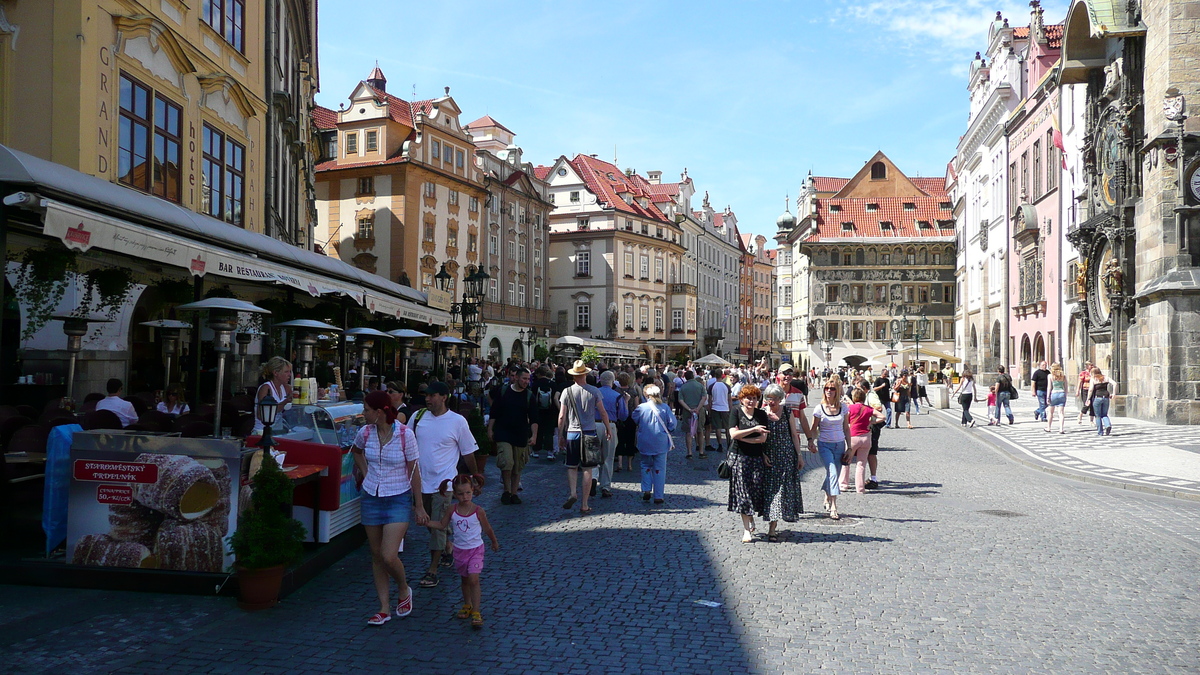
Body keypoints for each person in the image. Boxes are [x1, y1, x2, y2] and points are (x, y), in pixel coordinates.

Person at [350, 390, 426, 626]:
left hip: (398, 497)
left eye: (367, 410)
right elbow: (356, 451)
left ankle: (403, 588)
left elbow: (414, 470)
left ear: (380, 411)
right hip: (371, 495)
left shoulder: (405, 435)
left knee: (388, 555)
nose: (363, 414)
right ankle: (383, 607)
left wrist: (419, 505)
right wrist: (365, 473)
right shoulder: (365, 432)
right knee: (375, 555)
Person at [408, 381, 480, 590]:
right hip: (420, 483)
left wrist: (474, 477)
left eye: (432, 396)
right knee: (431, 524)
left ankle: (433, 570)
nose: (427, 399)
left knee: (438, 526)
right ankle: (449, 548)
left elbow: (468, 451)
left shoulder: (457, 422)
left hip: (444, 484)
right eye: (426, 396)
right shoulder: (418, 417)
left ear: (444, 397)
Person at [426, 474, 498, 629]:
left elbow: (487, 528)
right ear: (454, 493)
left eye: (468, 493)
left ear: (473, 490)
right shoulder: (452, 509)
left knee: (473, 579)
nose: (465, 496)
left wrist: (494, 541)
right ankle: (467, 604)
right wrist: (427, 523)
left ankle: (477, 611)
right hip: (460, 550)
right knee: (465, 580)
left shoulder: (478, 511)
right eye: (460, 493)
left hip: (476, 550)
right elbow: (442, 524)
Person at [558, 360, 612, 514]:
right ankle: (584, 503)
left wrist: (561, 434)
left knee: (572, 466)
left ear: (574, 375)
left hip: (572, 433)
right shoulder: (594, 391)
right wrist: (608, 428)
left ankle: (573, 492)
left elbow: (562, 416)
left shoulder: (566, 392)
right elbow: (602, 412)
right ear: (586, 374)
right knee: (588, 469)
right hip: (590, 432)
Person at [761, 384, 810, 541]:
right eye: (769, 398)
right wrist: (762, 454)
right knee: (771, 490)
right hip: (769, 456)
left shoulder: (787, 412)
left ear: (780, 399)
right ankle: (771, 523)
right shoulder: (762, 414)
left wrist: (799, 455)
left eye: (775, 398)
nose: (771, 402)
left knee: (782, 489)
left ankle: (772, 528)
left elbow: (794, 435)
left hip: (787, 455)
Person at [486, 366, 538, 506]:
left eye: (528, 379)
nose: (526, 381)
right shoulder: (504, 392)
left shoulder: (529, 396)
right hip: (503, 432)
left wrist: (534, 435)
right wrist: (490, 429)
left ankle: (514, 493)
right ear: (517, 378)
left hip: (521, 434)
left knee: (517, 466)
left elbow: (534, 418)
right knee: (507, 462)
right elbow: (494, 412)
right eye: (524, 378)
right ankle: (506, 491)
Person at [727, 384, 769, 543]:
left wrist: (742, 436)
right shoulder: (736, 411)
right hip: (740, 458)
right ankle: (746, 530)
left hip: (757, 458)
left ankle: (751, 516)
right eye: (748, 398)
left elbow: (763, 439)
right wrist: (754, 430)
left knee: (755, 491)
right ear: (741, 399)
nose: (751, 401)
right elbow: (732, 434)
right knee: (743, 494)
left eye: (754, 398)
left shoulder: (761, 414)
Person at [809, 380, 852, 520]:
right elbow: (814, 428)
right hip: (825, 445)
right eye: (826, 388)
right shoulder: (819, 408)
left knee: (833, 474)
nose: (829, 391)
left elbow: (846, 428)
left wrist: (850, 447)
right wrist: (811, 441)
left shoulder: (843, 407)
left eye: (832, 388)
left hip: (839, 445)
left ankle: (827, 496)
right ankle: (834, 506)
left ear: (837, 391)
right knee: (832, 472)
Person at [632, 384, 676, 504]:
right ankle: (658, 495)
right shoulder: (665, 407)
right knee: (660, 469)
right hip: (660, 442)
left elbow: (634, 419)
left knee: (645, 465)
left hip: (645, 440)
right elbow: (672, 424)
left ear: (646, 394)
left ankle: (646, 488)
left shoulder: (641, 408)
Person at [840, 388, 884, 494]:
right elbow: (882, 417)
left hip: (853, 436)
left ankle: (843, 484)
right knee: (861, 464)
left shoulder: (850, 408)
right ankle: (860, 488)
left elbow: (844, 420)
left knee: (846, 460)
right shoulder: (868, 408)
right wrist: (871, 422)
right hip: (866, 437)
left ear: (854, 397)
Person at [596, 370, 625, 497]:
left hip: (594, 424)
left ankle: (592, 477)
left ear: (600, 380)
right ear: (613, 382)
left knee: (592, 455)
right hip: (611, 425)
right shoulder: (617, 395)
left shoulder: (594, 393)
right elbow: (623, 416)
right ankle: (605, 486)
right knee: (608, 457)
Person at [254, 357, 293, 434]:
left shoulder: (287, 388)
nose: (289, 375)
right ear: (275, 373)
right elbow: (261, 415)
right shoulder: (266, 388)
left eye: (290, 372)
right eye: (286, 372)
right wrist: (284, 402)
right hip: (262, 431)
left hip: (279, 431)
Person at [678, 370, 708, 459]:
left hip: (688, 411)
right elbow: (704, 398)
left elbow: (680, 400)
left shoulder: (683, 387)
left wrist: (689, 409)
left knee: (688, 432)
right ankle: (701, 452)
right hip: (699, 411)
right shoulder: (700, 385)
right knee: (700, 431)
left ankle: (689, 453)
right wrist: (698, 408)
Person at [529, 366, 557, 461]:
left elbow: (531, 399)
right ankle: (550, 452)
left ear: (538, 374)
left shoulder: (535, 384)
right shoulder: (553, 384)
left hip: (538, 411)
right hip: (550, 411)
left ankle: (536, 451)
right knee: (549, 432)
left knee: (539, 431)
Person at [613, 372, 638, 472]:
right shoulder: (633, 391)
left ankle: (619, 463)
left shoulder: (615, 391)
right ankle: (630, 464)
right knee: (630, 440)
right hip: (631, 419)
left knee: (620, 440)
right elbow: (637, 406)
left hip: (619, 419)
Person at [707, 367, 733, 453]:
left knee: (717, 428)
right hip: (725, 408)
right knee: (727, 428)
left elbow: (710, 400)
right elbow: (729, 399)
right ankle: (729, 444)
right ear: (722, 375)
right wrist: (730, 409)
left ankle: (720, 445)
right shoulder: (727, 386)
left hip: (715, 408)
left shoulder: (711, 386)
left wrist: (710, 410)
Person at [1086, 367, 1116, 436]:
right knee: (1104, 414)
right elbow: (1114, 383)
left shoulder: (1093, 379)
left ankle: (1100, 432)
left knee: (1098, 416)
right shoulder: (1105, 378)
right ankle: (1107, 425)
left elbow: (1090, 390)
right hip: (1106, 397)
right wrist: (1114, 393)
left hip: (1098, 398)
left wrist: (1088, 398)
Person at [1044, 363, 1068, 434]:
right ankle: (1061, 429)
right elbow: (1066, 387)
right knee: (1061, 413)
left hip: (1054, 393)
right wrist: (1065, 395)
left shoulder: (1050, 376)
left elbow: (1049, 387)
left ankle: (1048, 427)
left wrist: (1047, 397)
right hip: (1062, 393)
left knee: (1050, 412)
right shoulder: (1063, 376)